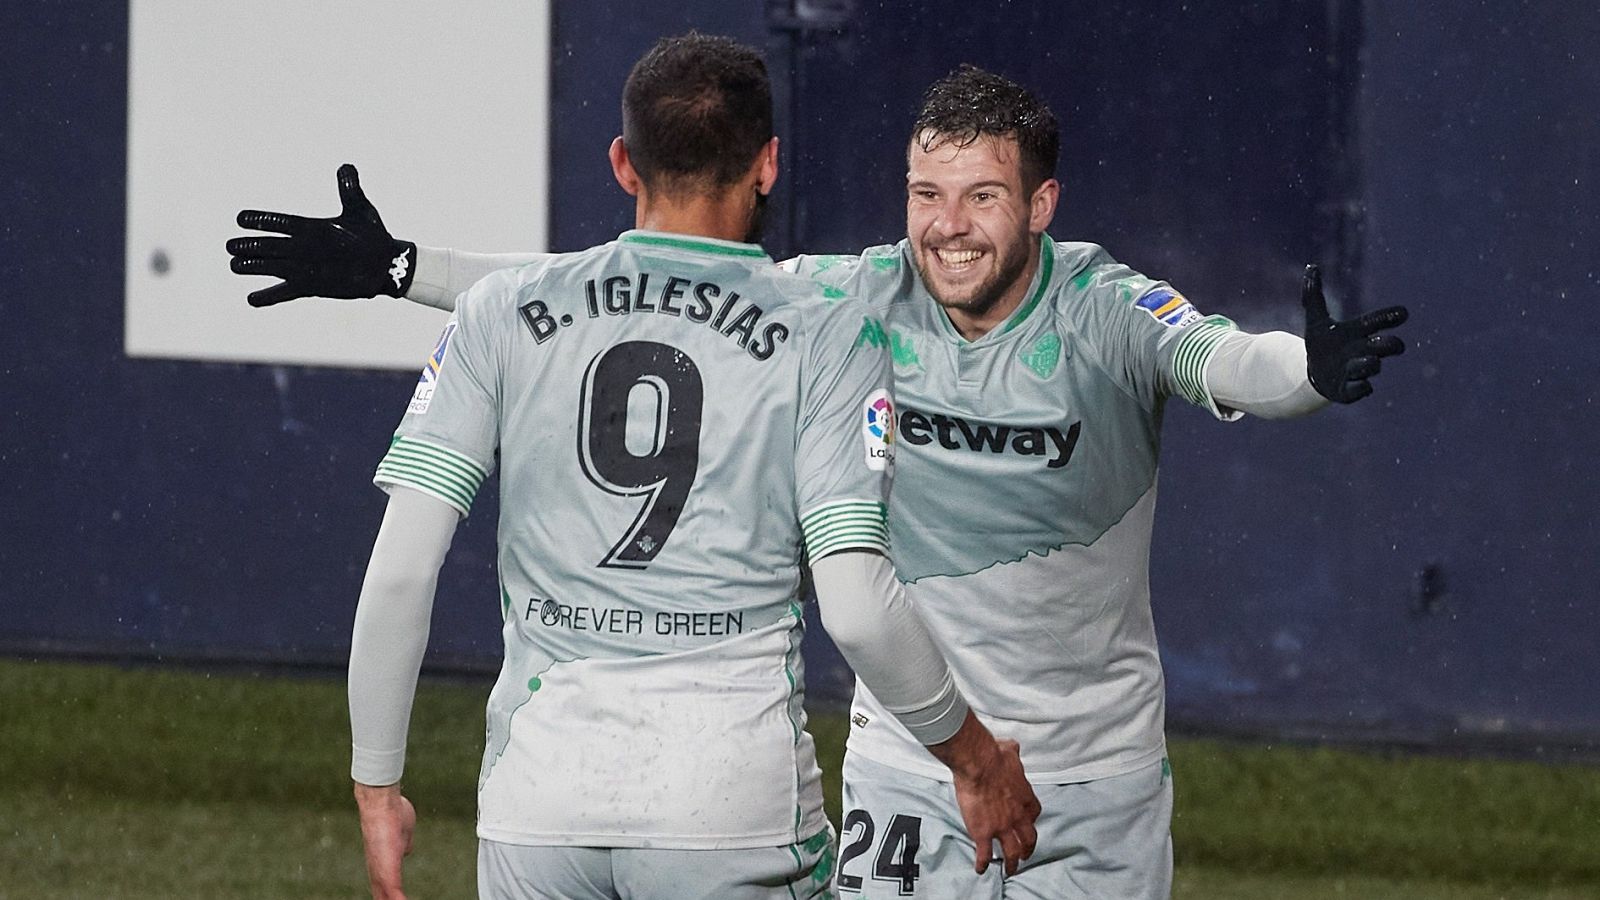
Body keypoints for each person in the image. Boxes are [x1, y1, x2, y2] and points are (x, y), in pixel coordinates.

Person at [230, 62, 1406, 899]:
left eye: (982, 198)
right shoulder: (850, 298)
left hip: (1091, 779)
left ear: (1041, 207)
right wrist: (400, 267)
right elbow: (637, 281)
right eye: (923, 193)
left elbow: (1223, 360)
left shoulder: (1103, 309)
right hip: (910, 767)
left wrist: (1308, 371)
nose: (945, 229)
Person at [290, 38, 1040, 900]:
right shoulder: (830, 328)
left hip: (539, 809)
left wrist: (377, 784)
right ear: (767, 165)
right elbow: (860, 608)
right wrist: (976, 761)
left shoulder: (499, 312)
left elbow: (399, 575)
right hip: (730, 807)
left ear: (622, 162)